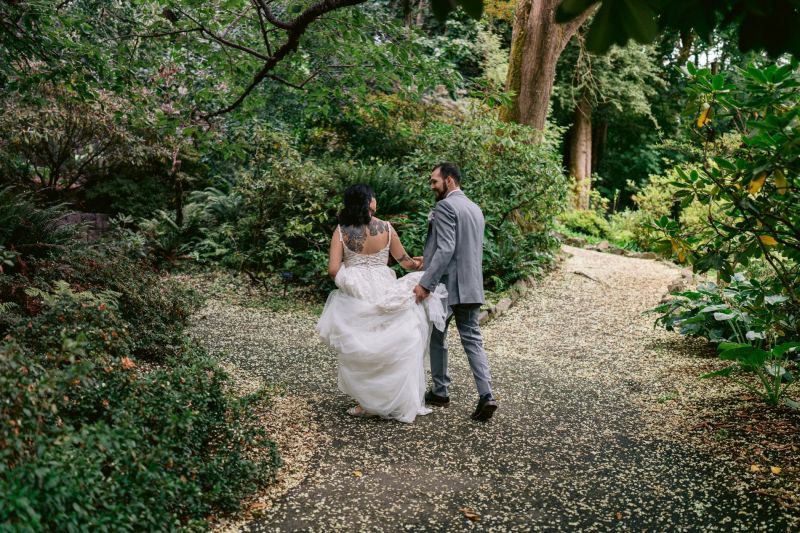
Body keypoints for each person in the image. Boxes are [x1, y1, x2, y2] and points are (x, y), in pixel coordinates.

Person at [316, 184, 446, 423]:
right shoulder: (386, 227)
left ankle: (366, 402)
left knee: (361, 346)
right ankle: (390, 399)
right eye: (373, 197)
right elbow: (406, 262)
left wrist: (352, 281)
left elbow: (333, 269)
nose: (376, 200)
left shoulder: (341, 231)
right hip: (384, 287)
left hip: (357, 293)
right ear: (368, 202)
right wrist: (424, 262)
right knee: (390, 341)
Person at [413, 163, 498, 422]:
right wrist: (427, 260)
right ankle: (487, 394)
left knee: (437, 334)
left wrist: (426, 283)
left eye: (435, 181)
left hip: (448, 286)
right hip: (472, 284)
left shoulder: (445, 206)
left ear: (449, 181)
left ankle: (440, 390)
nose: (432, 186)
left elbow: (447, 248)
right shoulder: (475, 208)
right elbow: (463, 249)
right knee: (471, 339)